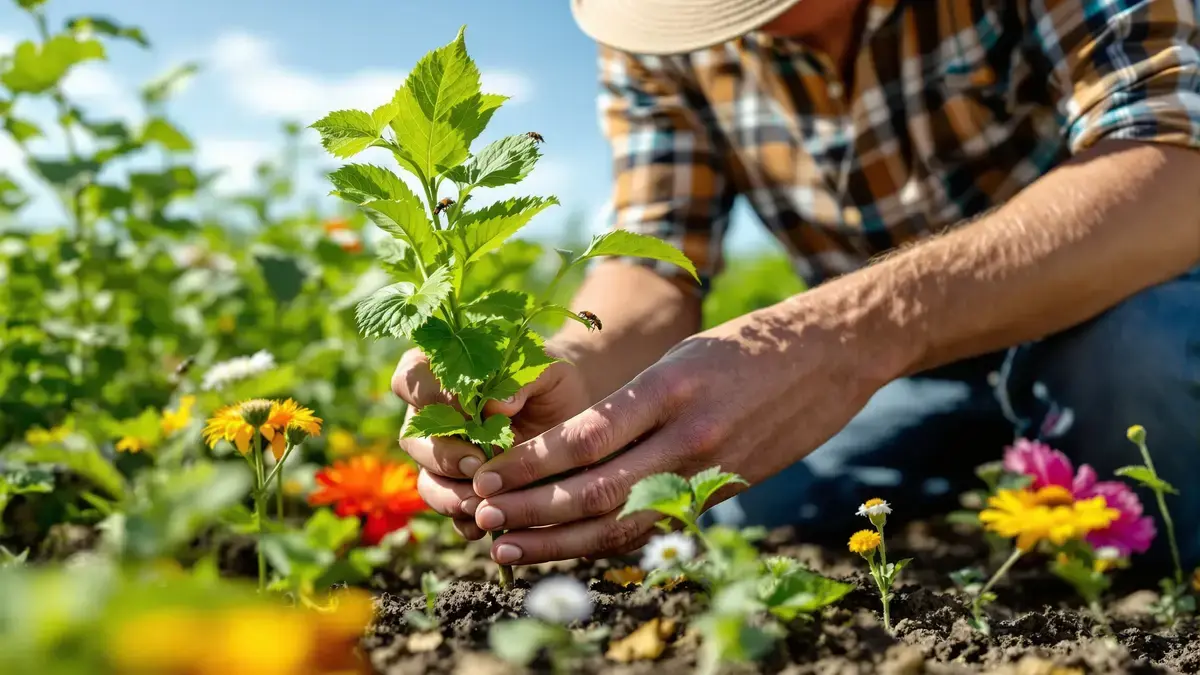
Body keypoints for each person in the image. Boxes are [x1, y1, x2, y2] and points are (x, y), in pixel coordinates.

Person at [394, 0, 1200, 572]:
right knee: (734, 509)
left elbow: (1174, 165)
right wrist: (570, 362)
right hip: (908, 376)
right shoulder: (658, 40)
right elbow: (656, 258)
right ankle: (1025, 479)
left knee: (1137, 371)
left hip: (1127, 306)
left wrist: (849, 334)